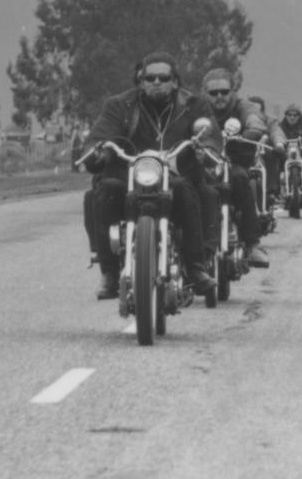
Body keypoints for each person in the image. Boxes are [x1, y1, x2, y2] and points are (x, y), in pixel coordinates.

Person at [82, 51, 219, 299]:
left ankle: (196, 268)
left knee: (188, 190)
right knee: (102, 191)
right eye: (150, 77)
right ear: (141, 81)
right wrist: (97, 151)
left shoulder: (194, 104)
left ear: (175, 81)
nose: (157, 82)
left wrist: (206, 150)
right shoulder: (119, 105)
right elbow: (102, 134)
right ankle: (109, 273)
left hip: (177, 175)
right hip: (129, 176)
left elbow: (208, 134)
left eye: (164, 77)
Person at [201, 68, 270, 268]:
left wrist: (252, 132)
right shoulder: (198, 108)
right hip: (204, 164)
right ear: (205, 93)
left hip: (235, 161)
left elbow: (255, 120)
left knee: (241, 179)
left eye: (224, 91)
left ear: (233, 91)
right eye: (213, 93)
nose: (219, 96)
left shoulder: (244, 106)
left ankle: (252, 244)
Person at [246, 95, 287, 206]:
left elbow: (275, 131)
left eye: (257, 109)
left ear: (262, 110)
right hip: (244, 151)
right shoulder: (241, 119)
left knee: (272, 155)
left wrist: (279, 143)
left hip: (264, 151)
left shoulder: (270, 120)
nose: (254, 112)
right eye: (251, 109)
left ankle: (271, 191)